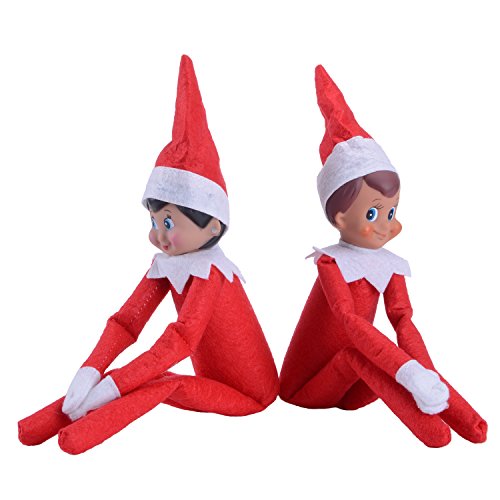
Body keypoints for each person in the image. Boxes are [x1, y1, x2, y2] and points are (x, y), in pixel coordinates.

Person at [18, 55, 279, 455]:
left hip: (250, 393)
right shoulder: (169, 264)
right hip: (209, 377)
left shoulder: (212, 272)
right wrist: (90, 370)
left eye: (168, 222)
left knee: (162, 383)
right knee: (141, 377)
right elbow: (127, 321)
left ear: (213, 225)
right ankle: (51, 417)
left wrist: (115, 384)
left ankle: (80, 434)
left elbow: (181, 340)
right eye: (154, 221)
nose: (156, 236)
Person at [279, 64, 487, 447]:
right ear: (340, 218)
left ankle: (460, 415)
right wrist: (407, 371)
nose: (387, 225)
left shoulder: (390, 266)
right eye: (374, 214)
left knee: (384, 361)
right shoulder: (330, 262)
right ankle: (432, 430)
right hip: (305, 388)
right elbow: (348, 321)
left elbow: (402, 320)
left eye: (391, 213)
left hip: (351, 390)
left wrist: (426, 373)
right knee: (359, 357)